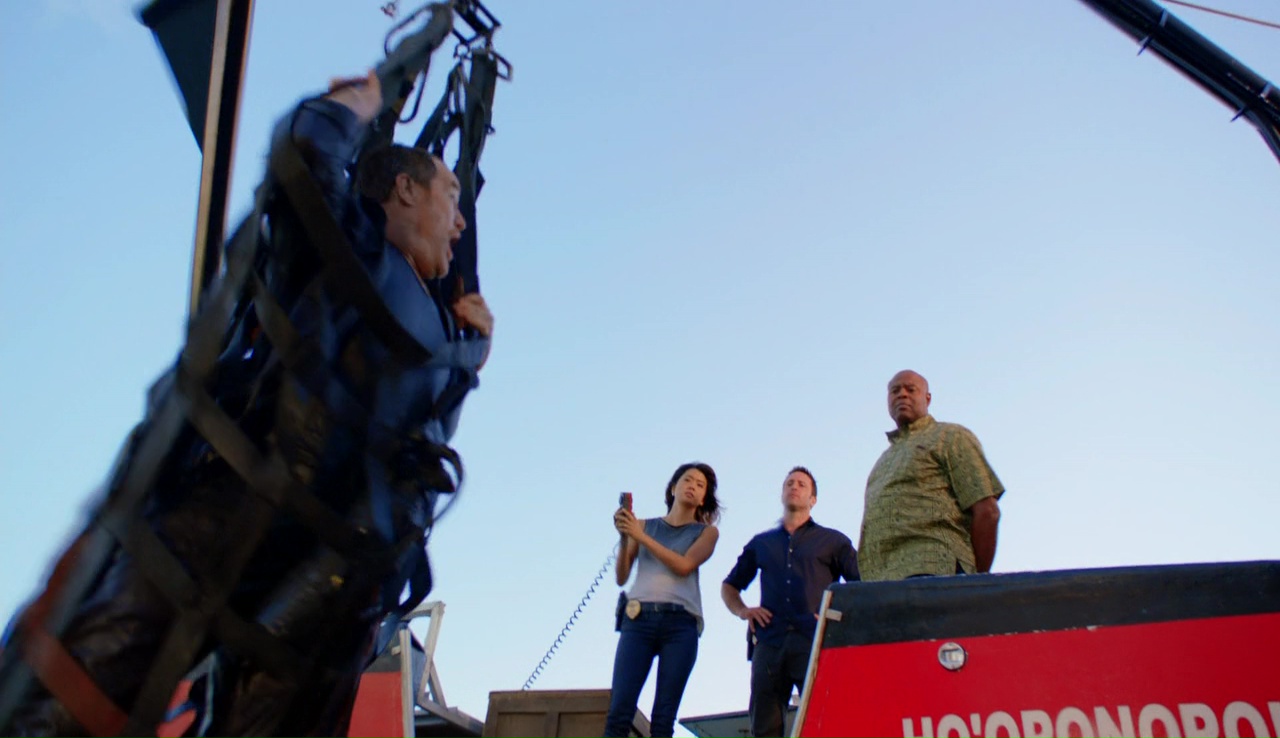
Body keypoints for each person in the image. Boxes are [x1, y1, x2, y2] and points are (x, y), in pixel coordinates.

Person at [2, 70, 494, 738]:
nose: (461, 221)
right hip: (230, 509)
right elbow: (307, 156)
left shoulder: (436, 332)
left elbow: (424, 442)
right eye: (451, 197)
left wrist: (468, 360)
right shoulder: (345, 246)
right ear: (405, 190)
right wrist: (353, 104)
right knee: (69, 698)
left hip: (328, 575)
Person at [721, 467, 859, 738]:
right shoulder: (761, 543)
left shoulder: (833, 541)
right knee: (765, 726)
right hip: (769, 643)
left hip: (814, 641)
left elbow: (860, 584)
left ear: (813, 499)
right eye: (789, 483)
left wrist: (837, 618)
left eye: (802, 484)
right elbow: (729, 586)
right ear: (782, 492)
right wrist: (743, 611)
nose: (794, 487)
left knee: (825, 720)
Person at [604, 463, 721, 738]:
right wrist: (626, 538)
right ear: (673, 488)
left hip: (680, 625)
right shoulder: (643, 526)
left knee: (663, 717)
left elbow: (684, 565)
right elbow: (621, 576)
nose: (692, 486)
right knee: (619, 710)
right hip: (638, 620)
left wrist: (640, 536)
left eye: (700, 485)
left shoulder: (706, 533)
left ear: (703, 499)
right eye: (687, 480)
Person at [858, 370, 1004, 581]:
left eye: (911, 389)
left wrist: (975, 583)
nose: (902, 394)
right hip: (882, 583)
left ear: (927, 399)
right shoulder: (884, 460)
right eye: (895, 391)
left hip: (932, 572)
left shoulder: (950, 437)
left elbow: (987, 511)